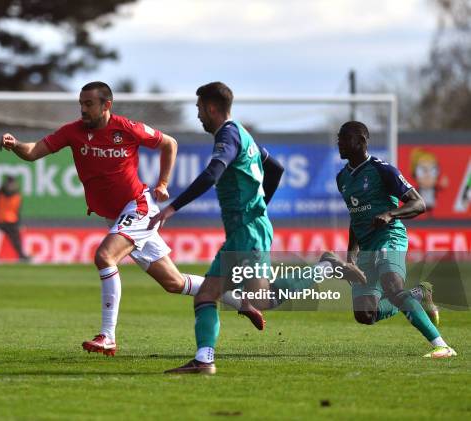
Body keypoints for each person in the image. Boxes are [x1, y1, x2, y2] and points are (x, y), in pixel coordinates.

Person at [0, 81, 261, 357]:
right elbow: (32, 151)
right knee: (174, 283)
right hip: (117, 217)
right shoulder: (72, 132)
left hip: (137, 208)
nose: (83, 109)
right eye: (81, 104)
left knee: (104, 257)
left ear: (106, 105)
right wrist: (15, 143)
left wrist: (162, 182)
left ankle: (107, 336)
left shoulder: (126, 128)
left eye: (89, 104)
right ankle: (238, 299)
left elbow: (169, 143)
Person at [150, 82, 368, 374]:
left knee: (260, 300)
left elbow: (213, 173)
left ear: (212, 108)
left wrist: (173, 208)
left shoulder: (227, 136)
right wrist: (260, 204)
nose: (198, 114)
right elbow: (275, 168)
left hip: (248, 231)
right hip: (245, 229)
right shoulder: (243, 134)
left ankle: (325, 268)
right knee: (206, 295)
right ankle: (204, 360)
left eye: (200, 108)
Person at [335, 121, 456, 358]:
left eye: (344, 138)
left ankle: (442, 345)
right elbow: (356, 216)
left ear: (361, 141)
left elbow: (418, 203)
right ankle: (419, 294)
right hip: (366, 247)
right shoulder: (342, 178)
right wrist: (351, 254)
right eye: (338, 138)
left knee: (393, 287)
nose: (339, 142)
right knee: (365, 315)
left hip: (389, 237)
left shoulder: (383, 170)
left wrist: (391, 214)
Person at [0, 175, 29, 262]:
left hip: (11, 220)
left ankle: (21, 255)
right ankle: (21, 255)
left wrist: (18, 221)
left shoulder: (17, 196)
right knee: (15, 238)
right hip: (1, 220)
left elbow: (17, 210)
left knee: (16, 239)